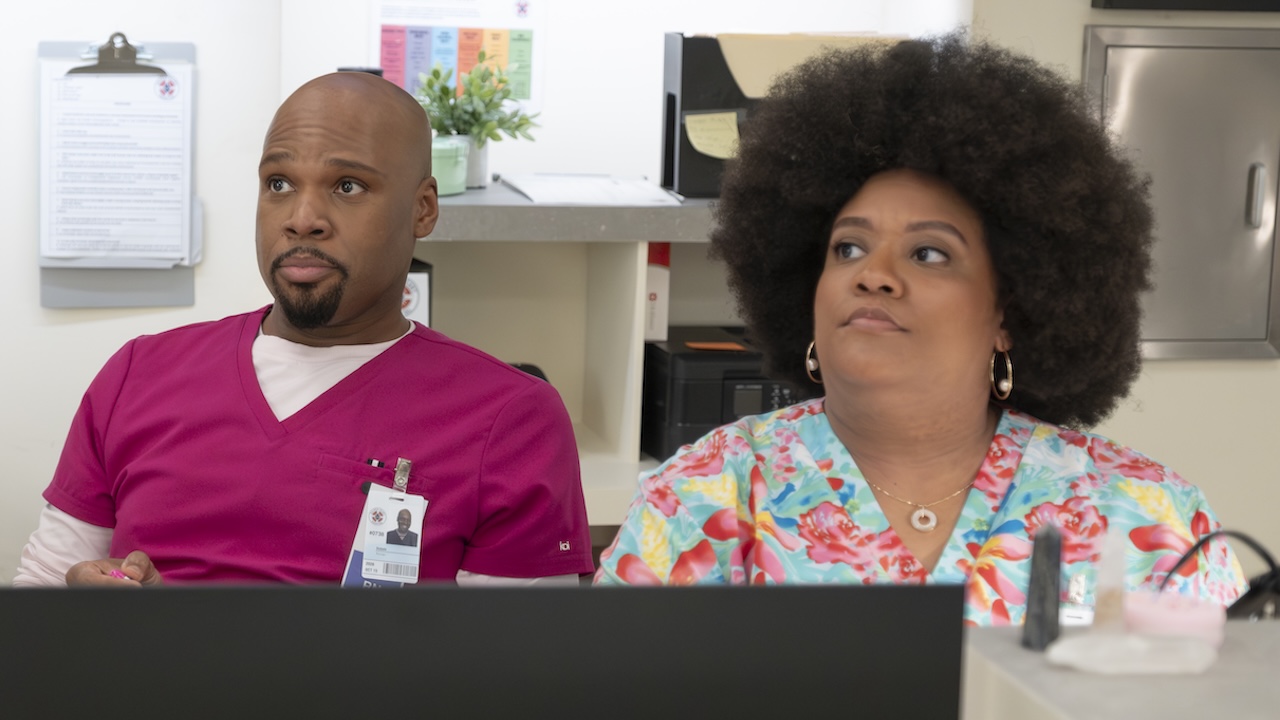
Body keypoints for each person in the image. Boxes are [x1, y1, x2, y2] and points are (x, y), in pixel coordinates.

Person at [595, 34, 1247, 624]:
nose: (873, 275)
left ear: (1010, 313)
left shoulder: (1149, 517)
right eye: (847, 248)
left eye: (929, 253)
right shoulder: (702, 500)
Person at [14, 72, 592, 587]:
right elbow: (41, 592)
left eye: (347, 186)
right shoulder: (138, 374)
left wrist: (197, 646)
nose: (301, 219)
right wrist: (83, 611)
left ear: (423, 209)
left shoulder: (510, 419)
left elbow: (513, 669)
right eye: (279, 183)